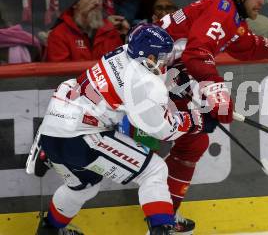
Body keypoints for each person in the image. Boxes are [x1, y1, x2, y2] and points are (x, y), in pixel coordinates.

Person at [146, 0, 268, 234]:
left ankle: (166, 217)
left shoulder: (228, 16)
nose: (263, 1)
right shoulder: (223, 9)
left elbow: (246, 46)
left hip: (162, 78)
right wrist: (215, 90)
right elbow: (198, 52)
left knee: (194, 141)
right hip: (143, 79)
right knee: (127, 142)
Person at [26, 24, 217, 235]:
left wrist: (171, 80)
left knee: (84, 186)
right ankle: (163, 229)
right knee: (154, 170)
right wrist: (198, 119)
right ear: (150, 58)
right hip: (81, 136)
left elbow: (142, 78)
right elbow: (162, 129)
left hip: (55, 125)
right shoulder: (143, 82)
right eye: (161, 58)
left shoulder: (124, 51)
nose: (164, 61)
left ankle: (49, 229)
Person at [45, 0, 126, 62]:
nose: (97, 2)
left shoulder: (110, 31)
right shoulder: (59, 35)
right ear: (74, 4)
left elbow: (120, 67)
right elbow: (60, 74)